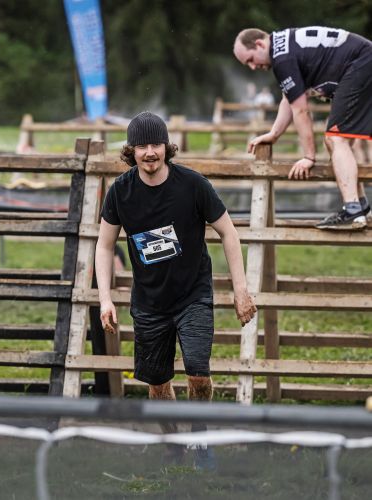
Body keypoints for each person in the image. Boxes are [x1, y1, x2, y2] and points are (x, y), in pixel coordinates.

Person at [95, 111, 257, 468]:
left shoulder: (193, 185)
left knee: (198, 372)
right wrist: (105, 299)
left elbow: (228, 233)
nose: (150, 152)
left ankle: (199, 437)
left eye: (156, 144)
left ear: (167, 147)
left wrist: (241, 290)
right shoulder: (121, 191)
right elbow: (105, 246)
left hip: (192, 294)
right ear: (131, 151)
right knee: (157, 382)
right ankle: (173, 442)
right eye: (142, 146)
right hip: (149, 301)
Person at [233, 27, 372, 230]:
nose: (253, 67)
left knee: (335, 138)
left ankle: (353, 210)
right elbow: (289, 99)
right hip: (362, 61)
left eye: (251, 60)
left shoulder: (281, 59)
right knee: (335, 142)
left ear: (260, 44)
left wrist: (309, 157)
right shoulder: (284, 47)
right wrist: (274, 134)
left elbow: (301, 110)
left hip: (362, 63)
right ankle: (359, 205)